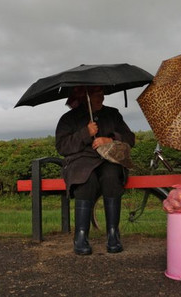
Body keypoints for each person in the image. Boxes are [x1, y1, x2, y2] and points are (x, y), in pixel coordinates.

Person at [55, 86, 135, 255]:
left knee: (112, 176)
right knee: (86, 180)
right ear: (85, 96)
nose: (102, 97)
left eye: (102, 93)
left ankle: (113, 234)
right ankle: (81, 236)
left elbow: (130, 138)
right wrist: (86, 133)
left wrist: (110, 139)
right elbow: (62, 146)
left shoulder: (113, 114)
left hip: (108, 160)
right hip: (80, 162)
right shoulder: (69, 119)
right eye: (96, 93)